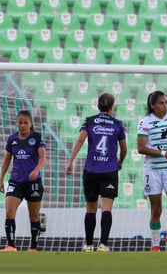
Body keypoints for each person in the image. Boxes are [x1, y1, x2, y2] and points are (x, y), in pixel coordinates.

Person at [66, 93, 127, 252]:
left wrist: (71, 161)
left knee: (90, 208)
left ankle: (88, 245)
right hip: (110, 171)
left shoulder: (90, 121)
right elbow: (124, 148)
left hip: (91, 170)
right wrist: (120, 162)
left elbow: (80, 140)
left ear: (98, 106)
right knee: (106, 208)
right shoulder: (118, 124)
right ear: (112, 107)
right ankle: (103, 244)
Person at [137, 90, 167, 252]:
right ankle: (155, 245)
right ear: (152, 106)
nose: (165, 106)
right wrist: (166, 153)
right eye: (161, 103)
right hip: (152, 170)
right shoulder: (145, 122)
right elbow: (141, 148)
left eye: (166, 102)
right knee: (156, 208)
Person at [0, 110, 46, 251]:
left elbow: (43, 157)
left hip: (33, 183)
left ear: (31, 124)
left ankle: (33, 248)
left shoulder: (36, 138)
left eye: (25, 123)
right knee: (9, 212)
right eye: (20, 122)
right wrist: (1, 179)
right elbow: (6, 160)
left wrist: (36, 170)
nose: (23, 125)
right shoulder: (12, 139)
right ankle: (11, 246)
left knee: (34, 216)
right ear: (16, 123)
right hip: (16, 182)